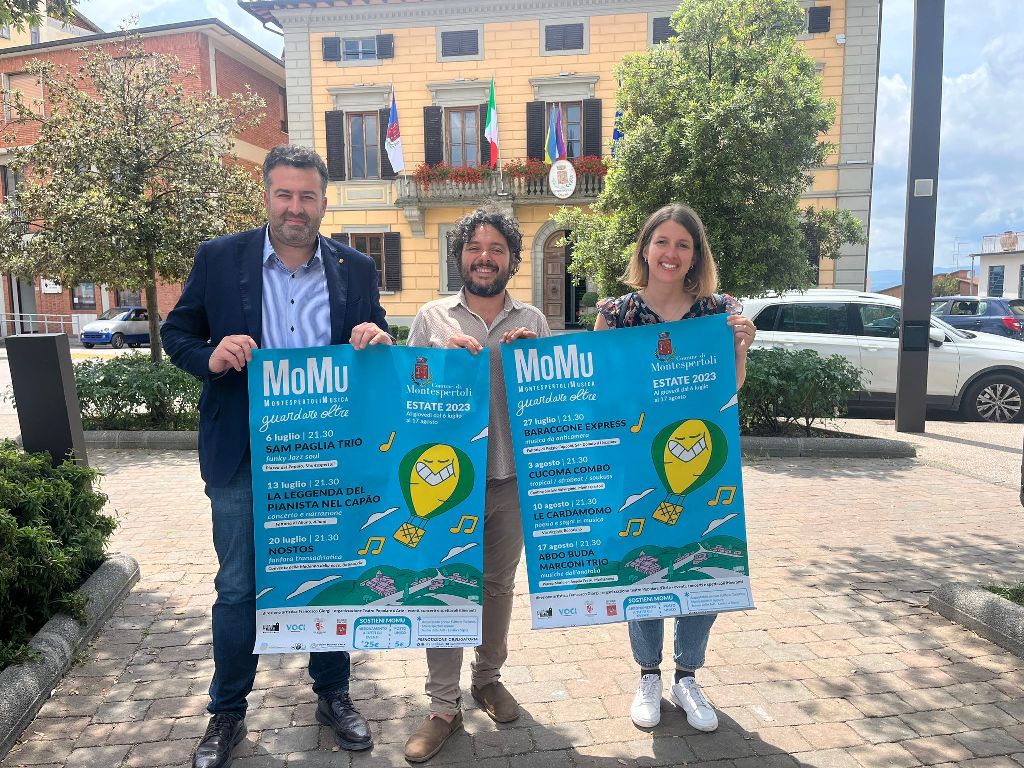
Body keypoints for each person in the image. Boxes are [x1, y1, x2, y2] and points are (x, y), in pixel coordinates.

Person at [161, 145, 393, 768]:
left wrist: (376, 336)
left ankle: (333, 694)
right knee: (238, 586)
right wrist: (210, 357)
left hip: (327, 455)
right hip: (242, 451)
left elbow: (377, 338)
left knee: (328, 574)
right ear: (266, 196)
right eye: (284, 194)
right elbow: (176, 333)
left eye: (307, 196)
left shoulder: (355, 268)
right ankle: (227, 713)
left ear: (323, 202)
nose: (295, 207)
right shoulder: (219, 258)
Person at [594, 203, 755, 732]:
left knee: (703, 559)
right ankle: (648, 674)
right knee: (644, 561)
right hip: (637, 461)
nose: (671, 252)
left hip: (702, 456)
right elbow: (599, 390)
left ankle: (687, 676)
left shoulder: (718, 312)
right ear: (645, 249)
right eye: (662, 241)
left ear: (695, 254)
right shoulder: (616, 314)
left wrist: (741, 347)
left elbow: (730, 387)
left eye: (683, 244)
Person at [402, 207, 550, 763]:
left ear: (511, 259)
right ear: (459, 255)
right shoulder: (432, 317)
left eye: (496, 249)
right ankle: (443, 705)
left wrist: (531, 359)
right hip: (447, 485)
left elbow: (552, 401)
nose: (484, 258)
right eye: (474, 248)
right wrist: (435, 363)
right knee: (443, 584)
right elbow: (406, 394)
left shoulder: (532, 319)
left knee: (497, 586)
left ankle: (487, 678)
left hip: (510, 480)